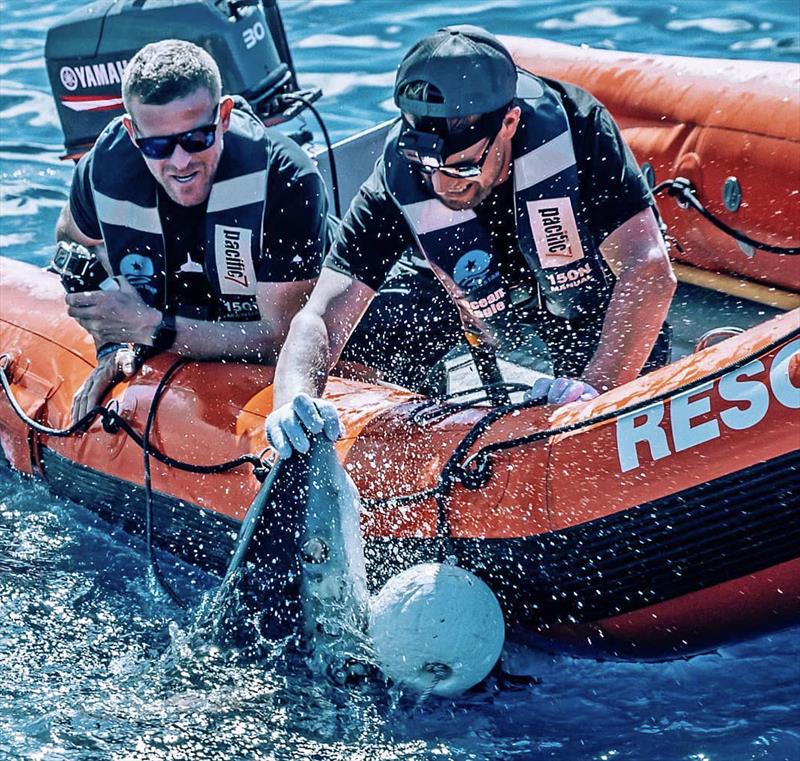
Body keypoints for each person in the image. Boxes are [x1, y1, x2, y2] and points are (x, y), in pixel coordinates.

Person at [265, 25, 676, 457]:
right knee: (369, 334)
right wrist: (296, 396)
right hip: (459, 287)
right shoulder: (399, 175)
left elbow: (649, 268)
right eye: (427, 168)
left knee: (621, 401)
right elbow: (320, 317)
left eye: (461, 166)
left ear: (510, 123)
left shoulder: (578, 127)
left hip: (578, 287)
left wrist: (597, 390)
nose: (442, 183)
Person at [56, 39, 329, 423]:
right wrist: (114, 340)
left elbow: (281, 338)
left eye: (196, 138)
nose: (181, 161)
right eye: (158, 146)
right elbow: (71, 241)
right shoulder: (103, 170)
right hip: (170, 321)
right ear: (133, 134)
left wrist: (151, 329)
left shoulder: (285, 177)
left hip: (297, 326)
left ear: (224, 117)